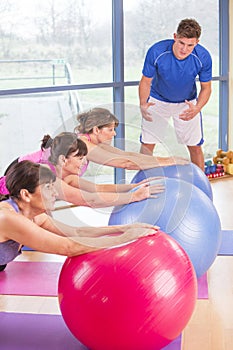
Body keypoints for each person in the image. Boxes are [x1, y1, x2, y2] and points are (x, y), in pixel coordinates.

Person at [0, 161, 159, 271]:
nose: (56, 193)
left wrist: (123, 229)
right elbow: (68, 247)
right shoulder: (7, 218)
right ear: (26, 195)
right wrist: (126, 238)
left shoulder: (35, 216)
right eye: (48, 187)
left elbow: (77, 233)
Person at [0, 133, 164, 208]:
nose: (84, 163)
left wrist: (132, 187)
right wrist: (133, 197)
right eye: (80, 158)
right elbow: (90, 200)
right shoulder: (44, 174)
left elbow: (96, 189)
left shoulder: (66, 175)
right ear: (64, 160)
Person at [138, 18, 212, 171]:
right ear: (175, 37)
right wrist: (143, 104)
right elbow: (146, 81)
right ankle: (143, 185)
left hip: (187, 104)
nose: (184, 49)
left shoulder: (203, 57)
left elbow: (206, 88)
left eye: (190, 45)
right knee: (147, 144)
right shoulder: (157, 51)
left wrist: (197, 108)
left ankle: (203, 189)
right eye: (181, 43)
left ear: (197, 42)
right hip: (157, 101)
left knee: (195, 146)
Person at [74, 107, 189, 171]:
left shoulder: (93, 142)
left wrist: (167, 159)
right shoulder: (84, 145)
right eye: (110, 130)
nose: (114, 134)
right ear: (96, 130)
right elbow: (126, 163)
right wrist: (168, 162)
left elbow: (127, 155)